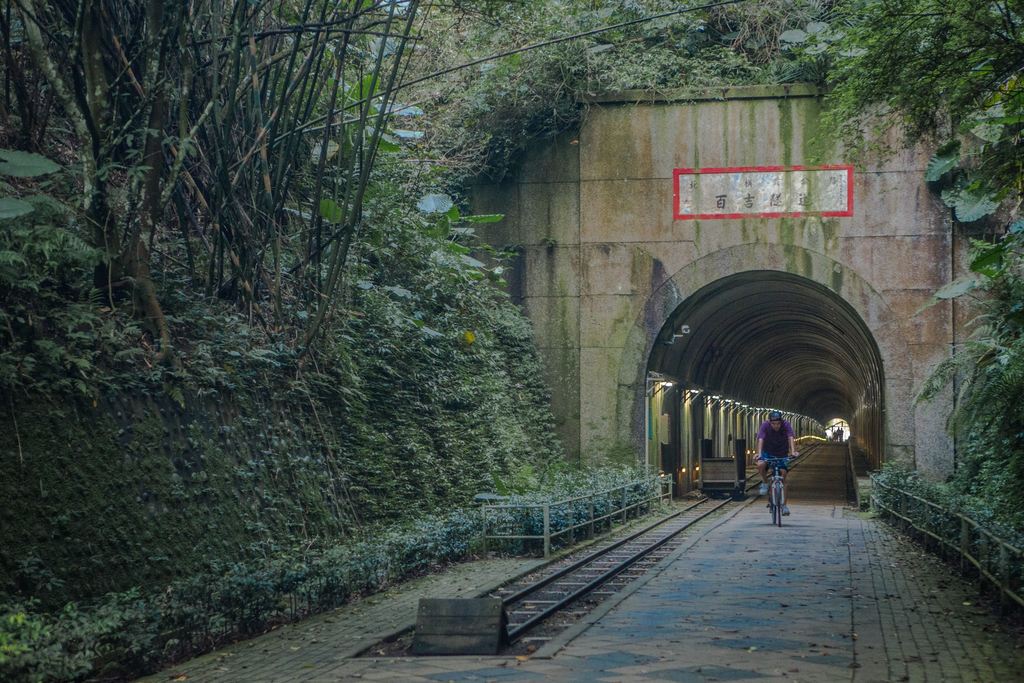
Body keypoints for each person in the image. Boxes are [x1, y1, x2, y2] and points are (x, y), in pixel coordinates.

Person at [755, 410, 797, 515]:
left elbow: (790, 437)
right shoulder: (765, 425)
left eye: (778, 423)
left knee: (783, 476)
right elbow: (761, 439)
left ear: (781, 421)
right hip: (767, 452)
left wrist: (793, 451)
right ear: (770, 422)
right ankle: (765, 482)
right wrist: (759, 454)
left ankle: (784, 506)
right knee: (760, 465)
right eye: (773, 424)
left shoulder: (786, 425)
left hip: (782, 453)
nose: (776, 426)